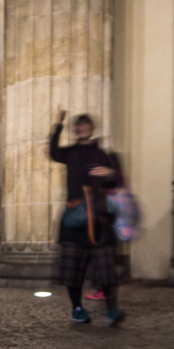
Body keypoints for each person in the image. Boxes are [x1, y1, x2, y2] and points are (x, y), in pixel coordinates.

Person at [49, 110, 124, 325]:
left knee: (105, 267)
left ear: (91, 128)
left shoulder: (101, 153)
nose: (81, 128)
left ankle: (112, 310)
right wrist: (58, 125)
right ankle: (77, 308)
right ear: (75, 130)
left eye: (84, 125)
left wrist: (108, 174)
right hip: (74, 216)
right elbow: (53, 152)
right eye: (78, 126)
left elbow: (115, 181)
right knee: (72, 269)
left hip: (99, 218)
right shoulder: (70, 152)